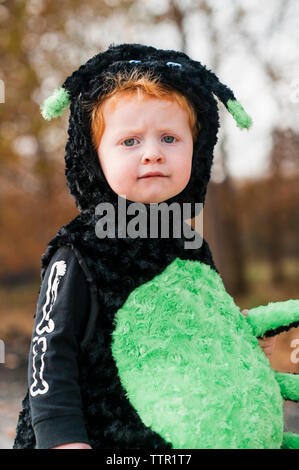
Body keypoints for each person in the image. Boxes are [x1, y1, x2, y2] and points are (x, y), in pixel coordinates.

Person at [13, 43, 277, 450]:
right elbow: (49, 351)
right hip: (99, 438)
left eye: (170, 138)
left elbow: (201, 322)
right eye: (130, 142)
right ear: (95, 158)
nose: (153, 153)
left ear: (197, 150)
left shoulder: (189, 242)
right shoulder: (80, 250)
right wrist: (61, 439)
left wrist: (234, 333)